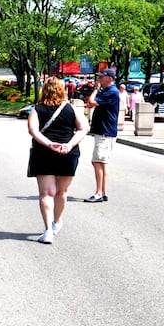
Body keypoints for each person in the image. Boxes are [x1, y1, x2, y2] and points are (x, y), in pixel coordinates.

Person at [27, 77, 90, 244]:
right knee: (62, 192)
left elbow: (33, 130)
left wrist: (49, 144)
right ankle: (56, 222)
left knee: (46, 193)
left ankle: (48, 230)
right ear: (63, 90)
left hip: (43, 152)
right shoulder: (72, 108)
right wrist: (69, 145)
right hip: (67, 153)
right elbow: (83, 128)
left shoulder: (37, 109)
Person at [84, 67, 120, 203]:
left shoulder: (111, 91)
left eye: (101, 77)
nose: (99, 79)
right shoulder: (108, 91)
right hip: (104, 130)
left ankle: (99, 193)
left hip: (105, 131)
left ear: (109, 78)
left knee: (98, 161)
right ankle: (103, 192)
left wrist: (95, 89)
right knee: (102, 163)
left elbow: (91, 102)